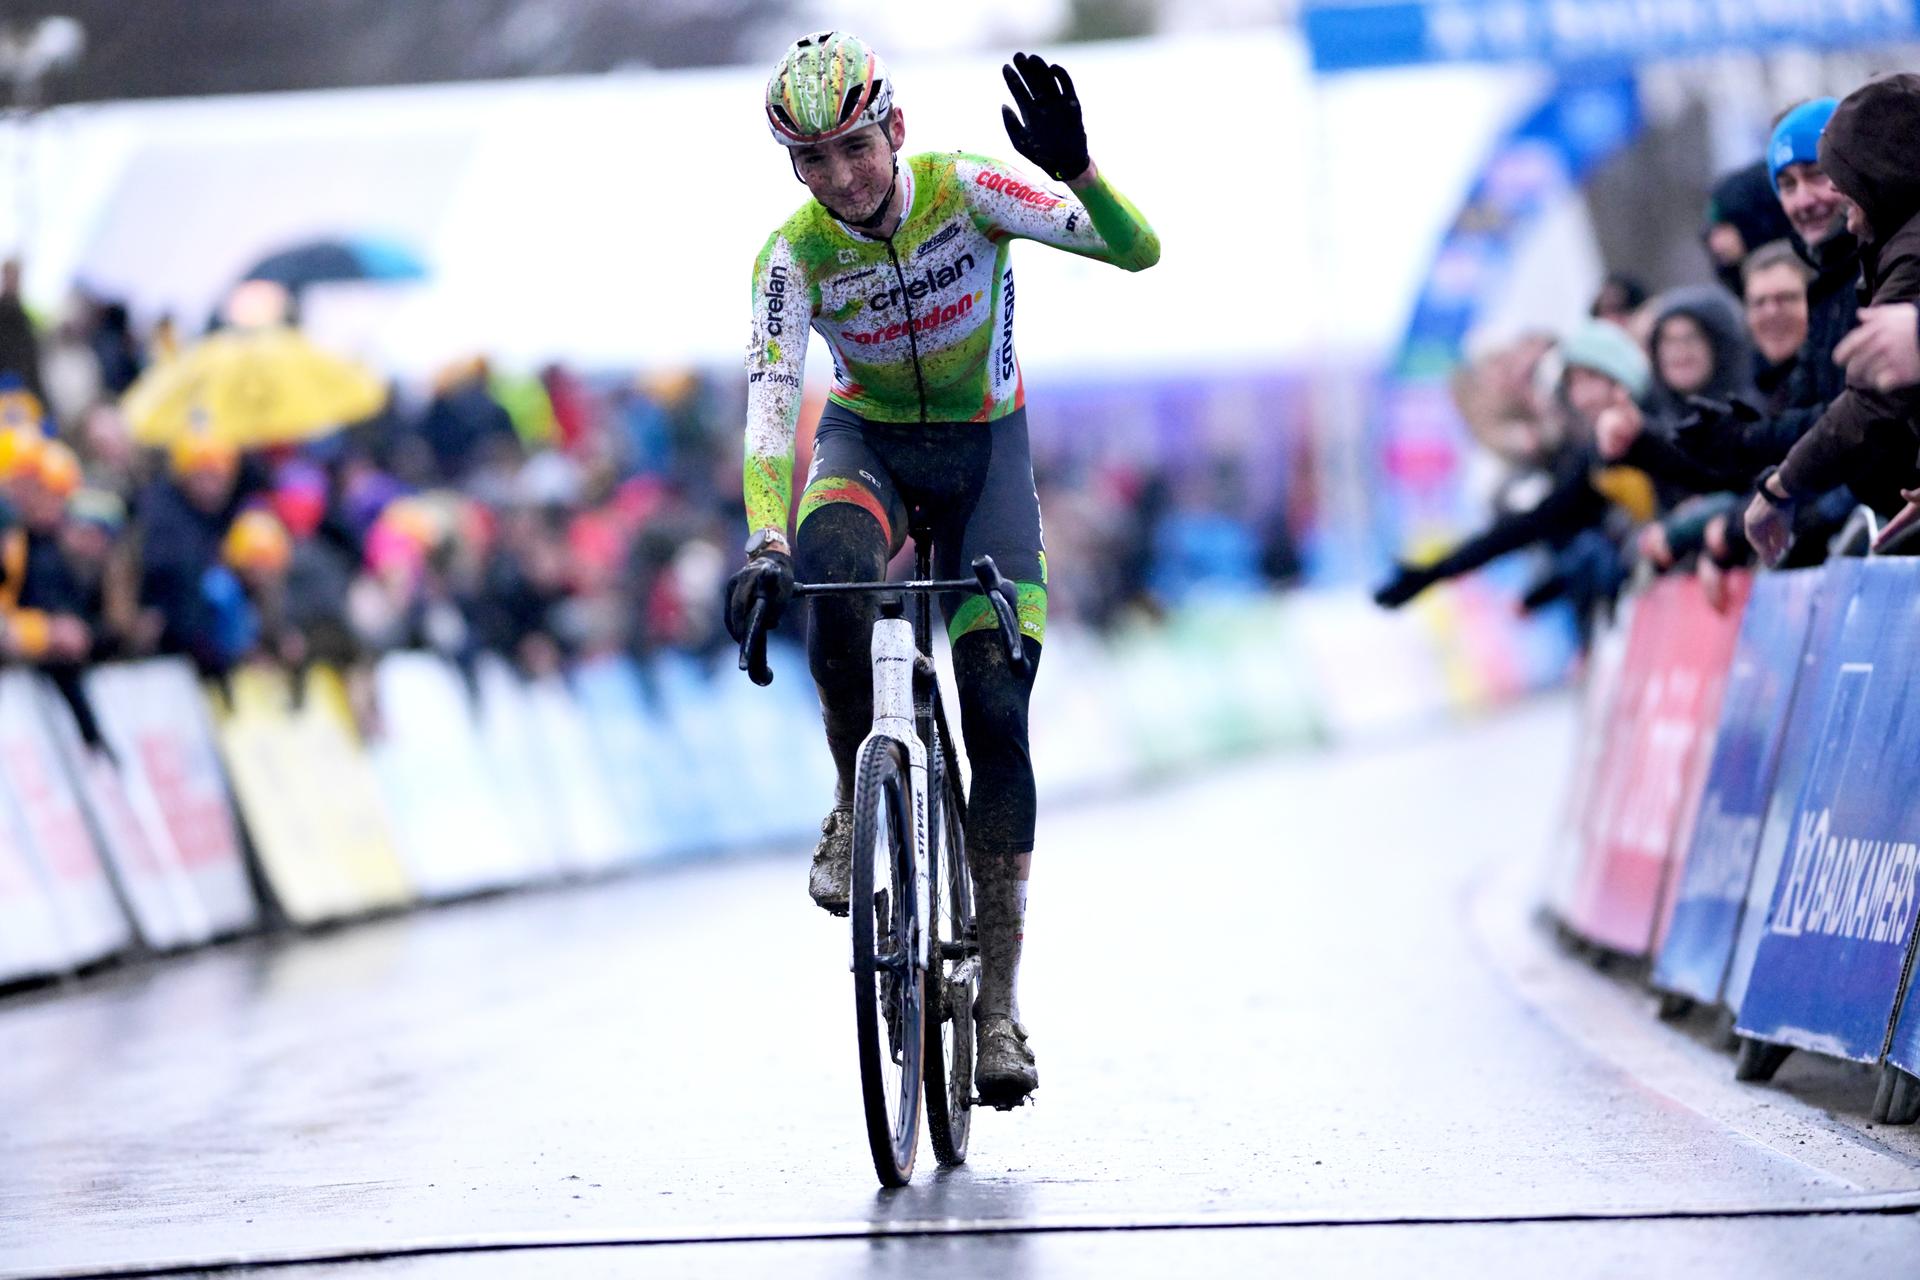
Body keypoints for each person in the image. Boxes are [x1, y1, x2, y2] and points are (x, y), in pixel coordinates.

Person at [722, 32, 1160, 1109]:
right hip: (866, 448)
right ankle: (847, 797)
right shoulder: (792, 258)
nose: (840, 178)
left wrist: (1081, 174)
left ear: (896, 131)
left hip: (985, 461)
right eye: (812, 162)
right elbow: (774, 408)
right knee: (825, 573)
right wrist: (765, 541)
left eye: (855, 150)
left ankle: (998, 1006)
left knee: (995, 711)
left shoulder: (965, 190)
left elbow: (1137, 253)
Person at [1748, 75, 1920, 562]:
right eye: (1787, 184)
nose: (1814, 198)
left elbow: (1872, 400)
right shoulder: (1875, 257)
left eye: (1827, 175)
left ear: (1878, 173)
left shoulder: (1908, 253)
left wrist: (1779, 488)